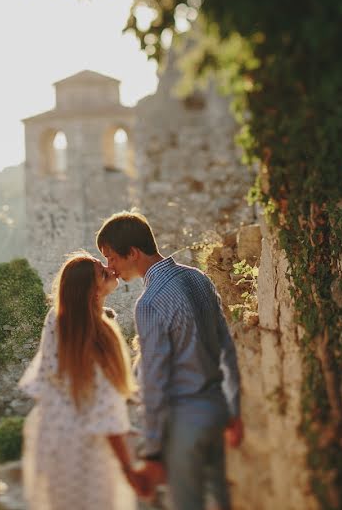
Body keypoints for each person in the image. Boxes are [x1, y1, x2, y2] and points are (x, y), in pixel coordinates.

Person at [97, 211, 244, 510]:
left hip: (184, 423)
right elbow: (226, 348)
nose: (110, 267)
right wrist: (234, 410)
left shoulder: (149, 303)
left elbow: (155, 380)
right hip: (216, 410)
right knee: (221, 500)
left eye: (111, 257)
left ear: (133, 253)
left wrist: (152, 451)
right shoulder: (198, 278)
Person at [18, 252, 146, 510]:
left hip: (52, 435)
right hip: (86, 448)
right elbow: (105, 411)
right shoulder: (98, 336)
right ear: (92, 291)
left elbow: (50, 380)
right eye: (102, 272)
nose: (111, 269)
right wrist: (129, 470)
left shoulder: (57, 318)